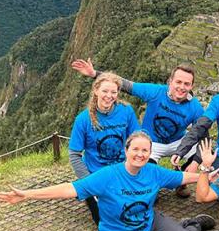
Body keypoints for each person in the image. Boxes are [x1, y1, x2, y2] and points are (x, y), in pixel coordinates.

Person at [0, 132, 218, 231]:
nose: (140, 154)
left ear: (150, 153)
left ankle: (190, 225)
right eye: (135, 149)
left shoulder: (153, 171)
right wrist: (27, 195)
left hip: (150, 223)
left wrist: (205, 175)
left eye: (145, 150)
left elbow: (181, 177)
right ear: (126, 151)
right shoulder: (107, 176)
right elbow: (69, 189)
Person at [71, 59, 204, 197]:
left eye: (186, 84)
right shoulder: (156, 92)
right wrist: (94, 74)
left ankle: (181, 181)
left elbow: (203, 136)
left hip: (178, 142)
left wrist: (195, 163)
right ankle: (149, 186)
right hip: (152, 142)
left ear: (192, 86)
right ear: (170, 82)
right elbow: (127, 85)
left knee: (202, 155)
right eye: (178, 82)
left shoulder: (195, 107)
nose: (182, 87)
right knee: (143, 173)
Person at [69, 72, 140, 224]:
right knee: (105, 220)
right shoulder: (83, 119)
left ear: (118, 93)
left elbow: (136, 141)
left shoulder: (126, 111)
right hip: (96, 174)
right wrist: (88, 182)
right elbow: (74, 154)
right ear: (96, 90)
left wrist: (134, 169)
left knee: (134, 212)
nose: (109, 96)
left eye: (113, 92)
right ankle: (89, 195)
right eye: (105, 91)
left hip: (122, 170)